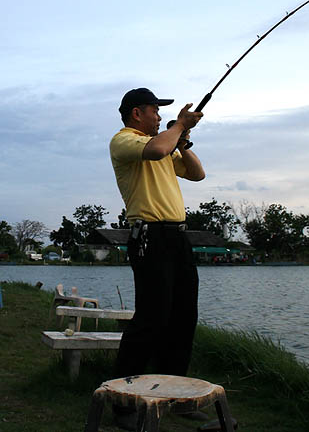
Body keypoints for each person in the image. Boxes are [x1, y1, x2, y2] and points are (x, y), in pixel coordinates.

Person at [109, 87, 205, 429]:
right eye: (155, 111)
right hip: (149, 236)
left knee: (183, 317)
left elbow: (197, 174)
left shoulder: (165, 143)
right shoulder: (125, 141)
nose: (159, 116)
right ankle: (123, 401)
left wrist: (184, 140)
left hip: (177, 237)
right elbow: (158, 147)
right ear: (137, 113)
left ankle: (174, 395)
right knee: (152, 319)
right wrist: (178, 126)